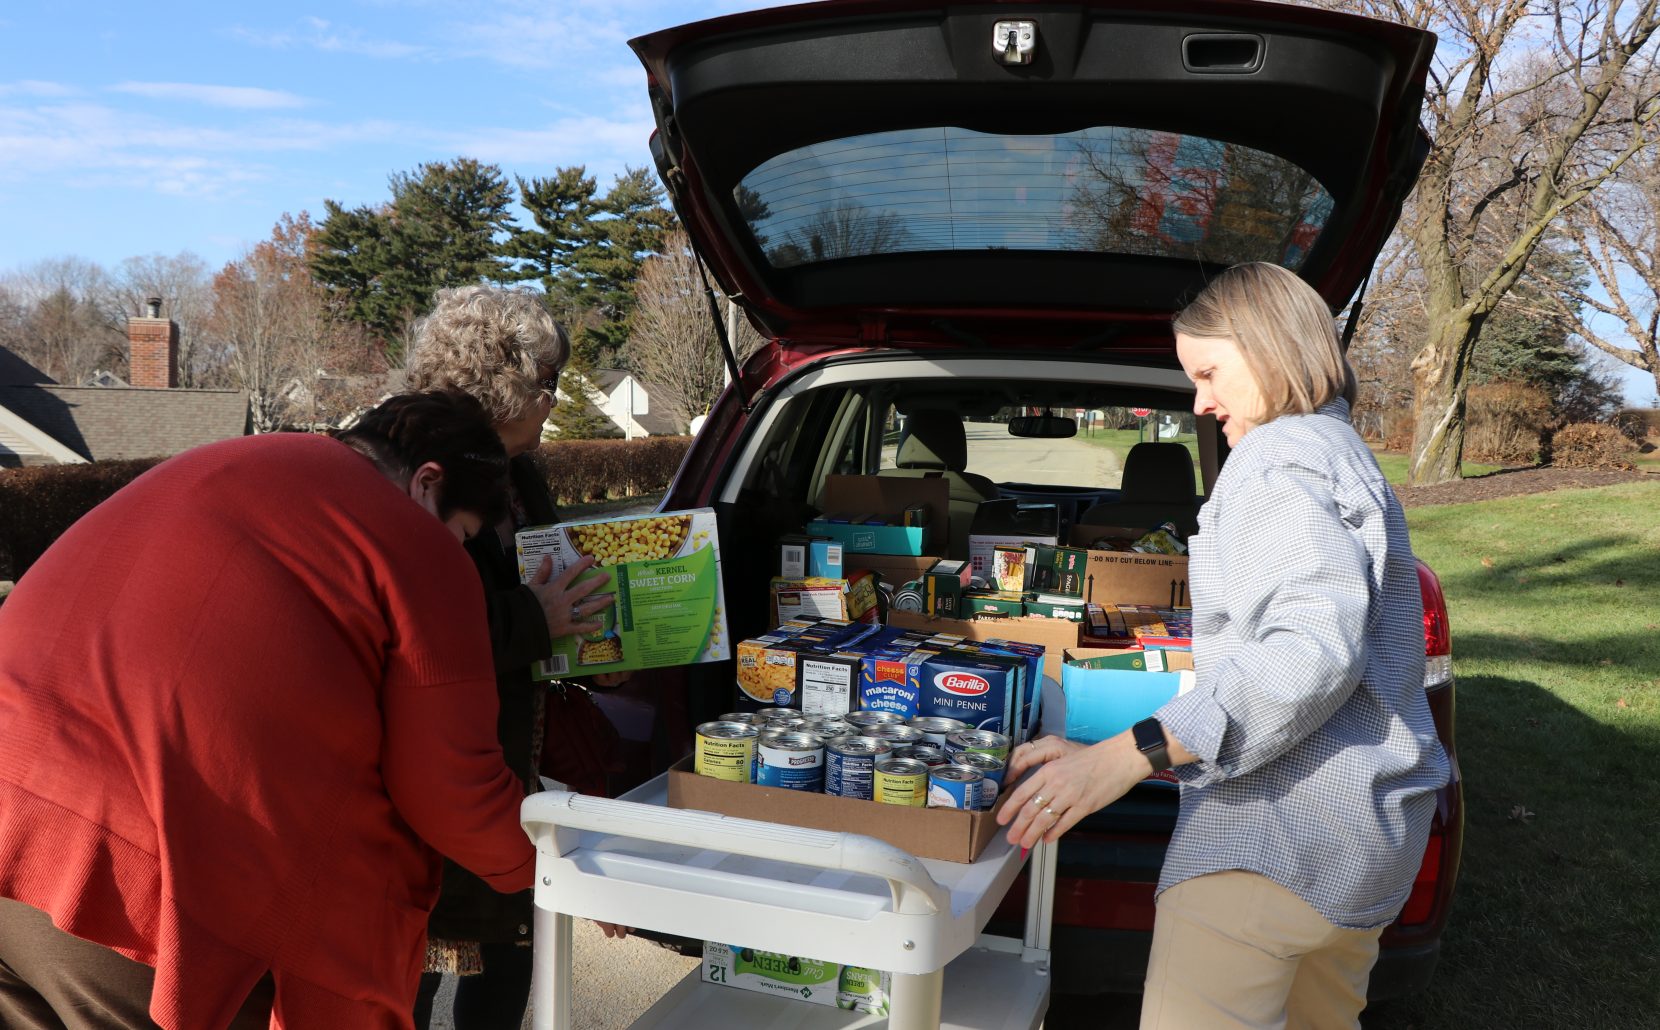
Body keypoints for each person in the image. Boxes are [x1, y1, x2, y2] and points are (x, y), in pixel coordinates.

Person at [999, 262, 1451, 1029]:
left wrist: (1124, 756)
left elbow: (1310, 653)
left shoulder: (1274, 459)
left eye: (1209, 372)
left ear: (1270, 347)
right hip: (1367, 848)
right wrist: (1095, 734)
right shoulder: (1342, 451)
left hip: (1269, 845)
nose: (1202, 404)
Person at [0, 391, 540, 1029]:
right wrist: (554, 867)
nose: (457, 552)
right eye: (464, 534)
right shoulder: (413, 539)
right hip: (130, 888)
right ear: (428, 485)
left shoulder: (227, 461)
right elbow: (451, 790)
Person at [402, 285, 625, 1030]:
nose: (555, 402)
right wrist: (537, 618)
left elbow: (546, 585)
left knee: (511, 953)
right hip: (436, 772)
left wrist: (597, 644)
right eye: (546, 384)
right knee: (413, 967)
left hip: (510, 755)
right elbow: (415, 633)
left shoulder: (517, 469)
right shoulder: (414, 475)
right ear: (502, 386)